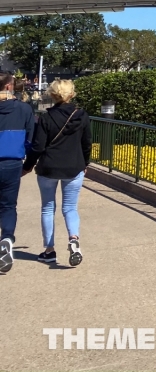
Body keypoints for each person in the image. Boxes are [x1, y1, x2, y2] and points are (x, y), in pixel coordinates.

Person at [22, 79, 91, 267]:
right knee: (70, 208)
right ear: (72, 94)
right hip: (74, 167)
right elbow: (86, 144)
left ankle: (49, 250)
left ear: (53, 95)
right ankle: (74, 239)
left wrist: (27, 166)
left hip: (48, 168)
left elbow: (38, 147)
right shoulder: (82, 115)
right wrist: (85, 163)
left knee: (47, 208)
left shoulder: (46, 117)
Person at [0, 73, 35, 273]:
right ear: (8, 87)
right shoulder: (23, 109)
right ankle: (6, 238)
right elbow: (31, 139)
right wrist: (28, 164)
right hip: (12, 162)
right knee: (8, 205)